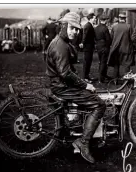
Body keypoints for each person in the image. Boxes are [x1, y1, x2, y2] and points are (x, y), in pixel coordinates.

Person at [46, 12, 106, 163]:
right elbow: (65, 73)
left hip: (62, 84)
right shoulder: (60, 45)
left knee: (92, 96)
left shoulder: (62, 42)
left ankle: (86, 133)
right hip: (62, 87)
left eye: (77, 29)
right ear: (64, 26)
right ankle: (83, 143)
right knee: (99, 105)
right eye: (72, 28)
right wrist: (85, 84)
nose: (75, 32)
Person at [107, 12, 134, 82]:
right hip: (126, 48)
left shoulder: (114, 27)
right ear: (125, 19)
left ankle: (115, 80)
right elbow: (132, 38)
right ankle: (126, 80)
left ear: (119, 18)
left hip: (116, 49)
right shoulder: (129, 26)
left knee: (116, 65)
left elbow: (111, 38)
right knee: (126, 65)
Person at [94, 14, 112, 83]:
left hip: (98, 46)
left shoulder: (96, 28)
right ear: (106, 20)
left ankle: (102, 76)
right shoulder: (105, 28)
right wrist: (108, 46)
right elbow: (108, 39)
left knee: (101, 61)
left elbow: (95, 37)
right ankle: (101, 78)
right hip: (104, 46)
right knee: (103, 62)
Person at [79, 13, 97, 83]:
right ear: (91, 18)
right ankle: (85, 78)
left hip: (90, 47)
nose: (95, 19)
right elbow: (85, 35)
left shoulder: (89, 25)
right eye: (94, 18)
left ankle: (87, 77)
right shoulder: (88, 26)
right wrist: (82, 43)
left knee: (88, 62)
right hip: (87, 47)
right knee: (86, 62)